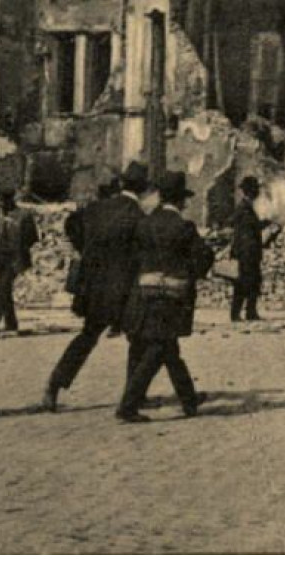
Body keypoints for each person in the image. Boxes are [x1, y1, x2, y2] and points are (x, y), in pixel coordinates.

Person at [39, 162, 147, 412]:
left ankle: (55, 383)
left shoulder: (96, 208)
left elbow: (71, 225)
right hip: (124, 289)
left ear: (121, 184)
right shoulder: (139, 216)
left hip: (95, 287)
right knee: (138, 340)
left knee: (87, 337)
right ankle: (133, 395)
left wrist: (84, 250)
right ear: (143, 189)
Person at [116, 170, 213, 423]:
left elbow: (130, 258)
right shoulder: (183, 227)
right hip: (170, 297)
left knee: (169, 349)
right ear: (181, 200)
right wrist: (190, 273)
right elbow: (203, 257)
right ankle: (128, 405)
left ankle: (189, 400)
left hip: (143, 293)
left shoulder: (144, 223)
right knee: (159, 349)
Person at [0, 185, 39, 335]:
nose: (1, 203)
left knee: (3, 286)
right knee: (5, 288)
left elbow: (32, 237)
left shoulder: (24, 215)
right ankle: (11, 323)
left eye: (3, 200)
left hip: (15, 257)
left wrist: (21, 248)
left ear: (10, 199)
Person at [228, 176, 278, 322]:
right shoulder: (244, 208)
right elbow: (248, 230)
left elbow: (249, 228)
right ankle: (242, 313)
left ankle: (246, 312)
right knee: (247, 283)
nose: (257, 192)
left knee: (249, 282)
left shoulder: (245, 207)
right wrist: (265, 224)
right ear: (251, 191)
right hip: (247, 253)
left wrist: (265, 224)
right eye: (255, 189)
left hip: (247, 252)